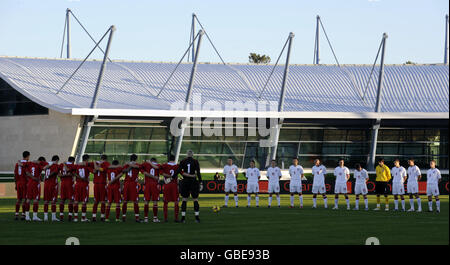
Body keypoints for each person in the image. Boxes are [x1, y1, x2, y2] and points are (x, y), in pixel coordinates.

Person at [177, 150, 202, 223]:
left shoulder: (183, 161)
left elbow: (179, 170)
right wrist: (200, 182)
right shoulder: (195, 161)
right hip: (193, 181)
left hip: (185, 181)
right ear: (192, 154)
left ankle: (183, 218)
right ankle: (197, 218)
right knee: (195, 199)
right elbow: (198, 172)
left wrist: (173, 177)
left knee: (184, 199)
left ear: (187, 154)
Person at [23, 156, 47, 221]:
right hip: (36, 183)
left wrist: (32, 177)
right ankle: (34, 216)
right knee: (35, 199)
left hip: (29, 182)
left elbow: (27, 172)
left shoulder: (30, 163)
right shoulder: (39, 165)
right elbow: (45, 167)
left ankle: (27, 216)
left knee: (28, 199)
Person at [121, 154, 142, 222]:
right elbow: (139, 168)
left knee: (125, 201)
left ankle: (123, 217)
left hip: (126, 183)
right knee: (135, 201)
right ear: (136, 159)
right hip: (133, 183)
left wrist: (129, 165)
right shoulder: (137, 164)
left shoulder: (127, 164)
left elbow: (123, 171)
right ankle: (137, 218)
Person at [73, 154, 93, 222]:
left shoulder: (78, 165)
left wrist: (79, 177)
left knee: (76, 201)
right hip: (84, 184)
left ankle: (75, 218)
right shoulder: (87, 165)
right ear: (87, 159)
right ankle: (83, 218)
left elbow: (73, 172)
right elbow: (94, 171)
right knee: (84, 201)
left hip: (77, 184)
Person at [160, 155, 180, 222]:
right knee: (176, 201)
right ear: (174, 159)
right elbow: (182, 172)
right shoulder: (177, 166)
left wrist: (168, 176)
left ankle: (165, 218)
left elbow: (161, 172)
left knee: (165, 202)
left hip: (167, 184)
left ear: (168, 159)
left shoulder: (164, 165)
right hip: (174, 185)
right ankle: (176, 218)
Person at [141, 157, 162, 223]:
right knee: (155, 201)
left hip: (147, 184)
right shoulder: (158, 165)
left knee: (146, 201)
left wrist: (148, 163)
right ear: (155, 160)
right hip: (155, 184)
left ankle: (146, 218)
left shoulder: (146, 164)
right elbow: (158, 169)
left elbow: (140, 168)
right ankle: (155, 218)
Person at [92, 154, 110, 222]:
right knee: (102, 201)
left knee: (97, 201)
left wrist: (95, 163)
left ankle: (94, 216)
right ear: (106, 159)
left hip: (97, 184)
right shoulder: (106, 163)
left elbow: (97, 170)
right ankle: (101, 217)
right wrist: (97, 165)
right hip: (101, 184)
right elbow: (94, 171)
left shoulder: (97, 163)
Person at [42, 155, 60, 221]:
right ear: (57, 160)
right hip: (53, 184)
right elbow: (55, 172)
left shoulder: (47, 165)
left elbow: (44, 169)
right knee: (53, 201)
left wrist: (46, 176)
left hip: (46, 184)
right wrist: (49, 176)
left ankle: (45, 217)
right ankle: (53, 217)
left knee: (46, 201)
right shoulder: (56, 166)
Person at [59, 156, 77, 221]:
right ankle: (70, 216)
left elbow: (57, 172)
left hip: (62, 183)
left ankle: (61, 216)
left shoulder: (61, 165)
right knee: (70, 200)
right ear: (73, 161)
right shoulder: (72, 165)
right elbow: (71, 173)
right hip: (69, 183)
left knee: (62, 199)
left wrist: (61, 175)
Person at [13, 151, 30, 220]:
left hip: (18, 183)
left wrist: (16, 184)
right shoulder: (27, 163)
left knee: (18, 199)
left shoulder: (17, 164)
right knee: (24, 199)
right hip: (24, 183)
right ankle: (23, 214)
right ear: (28, 156)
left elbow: (15, 175)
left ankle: (16, 214)